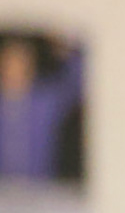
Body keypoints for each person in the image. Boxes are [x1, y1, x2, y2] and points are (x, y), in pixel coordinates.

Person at [0, 34, 84, 184]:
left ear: (30, 67)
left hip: (41, 192)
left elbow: (79, 83)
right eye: (9, 62)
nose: (15, 69)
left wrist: (68, 51)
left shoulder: (46, 100)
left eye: (21, 62)